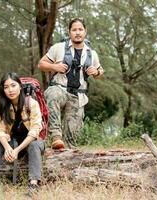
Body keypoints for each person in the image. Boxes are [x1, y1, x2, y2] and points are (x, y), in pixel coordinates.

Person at [38, 18, 104, 149]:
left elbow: (100, 72)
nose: (77, 32)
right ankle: (56, 136)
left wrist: (96, 72)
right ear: (69, 32)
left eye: (80, 29)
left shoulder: (92, 53)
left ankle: (64, 159)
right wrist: (55, 67)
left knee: (70, 141)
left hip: (78, 96)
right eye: (74, 30)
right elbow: (41, 64)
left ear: (85, 32)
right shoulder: (58, 48)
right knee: (52, 93)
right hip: (60, 89)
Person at [0, 72, 45, 195]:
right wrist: (7, 148)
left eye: (13, 85)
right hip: (13, 142)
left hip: (33, 142)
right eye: (6, 87)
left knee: (33, 146)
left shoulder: (32, 104)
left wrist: (16, 150)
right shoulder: (3, 106)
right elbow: (0, 130)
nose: (10, 90)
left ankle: (34, 185)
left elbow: (35, 131)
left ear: (20, 86)